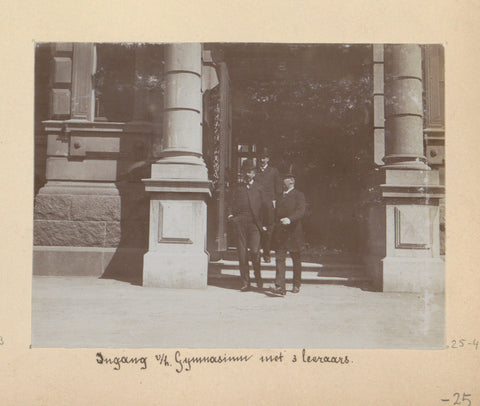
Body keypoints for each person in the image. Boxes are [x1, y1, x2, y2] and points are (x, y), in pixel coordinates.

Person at [228, 160, 272, 291]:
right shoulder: (238, 188)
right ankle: (245, 282)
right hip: (240, 223)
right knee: (242, 254)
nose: (247, 175)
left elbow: (267, 207)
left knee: (254, 251)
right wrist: (231, 216)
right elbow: (230, 203)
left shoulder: (259, 188)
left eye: (249, 172)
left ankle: (258, 277)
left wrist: (266, 224)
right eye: (245, 172)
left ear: (254, 174)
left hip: (254, 224)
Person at [271, 173, 306, 295]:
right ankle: (280, 286)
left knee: (296, 258)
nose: (282, 182)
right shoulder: (280, 196)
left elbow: (301, 211)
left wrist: (290, 219)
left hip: (294, 232)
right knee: (280, 258)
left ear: (291, 181)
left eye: (284, 179)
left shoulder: (298, 195)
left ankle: (296, 283)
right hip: (281, 232)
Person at [254, 148, 282, 263]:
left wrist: (275, 200)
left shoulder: (273, 171)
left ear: (268, 159)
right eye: (261, 158)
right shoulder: (255, 171)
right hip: (257, 204)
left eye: (264, 158)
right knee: (257, 227)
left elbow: (278, 187)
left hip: (269, 204)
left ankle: (266, 254)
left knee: (269, 229)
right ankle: (257, 253)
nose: (262, 160)